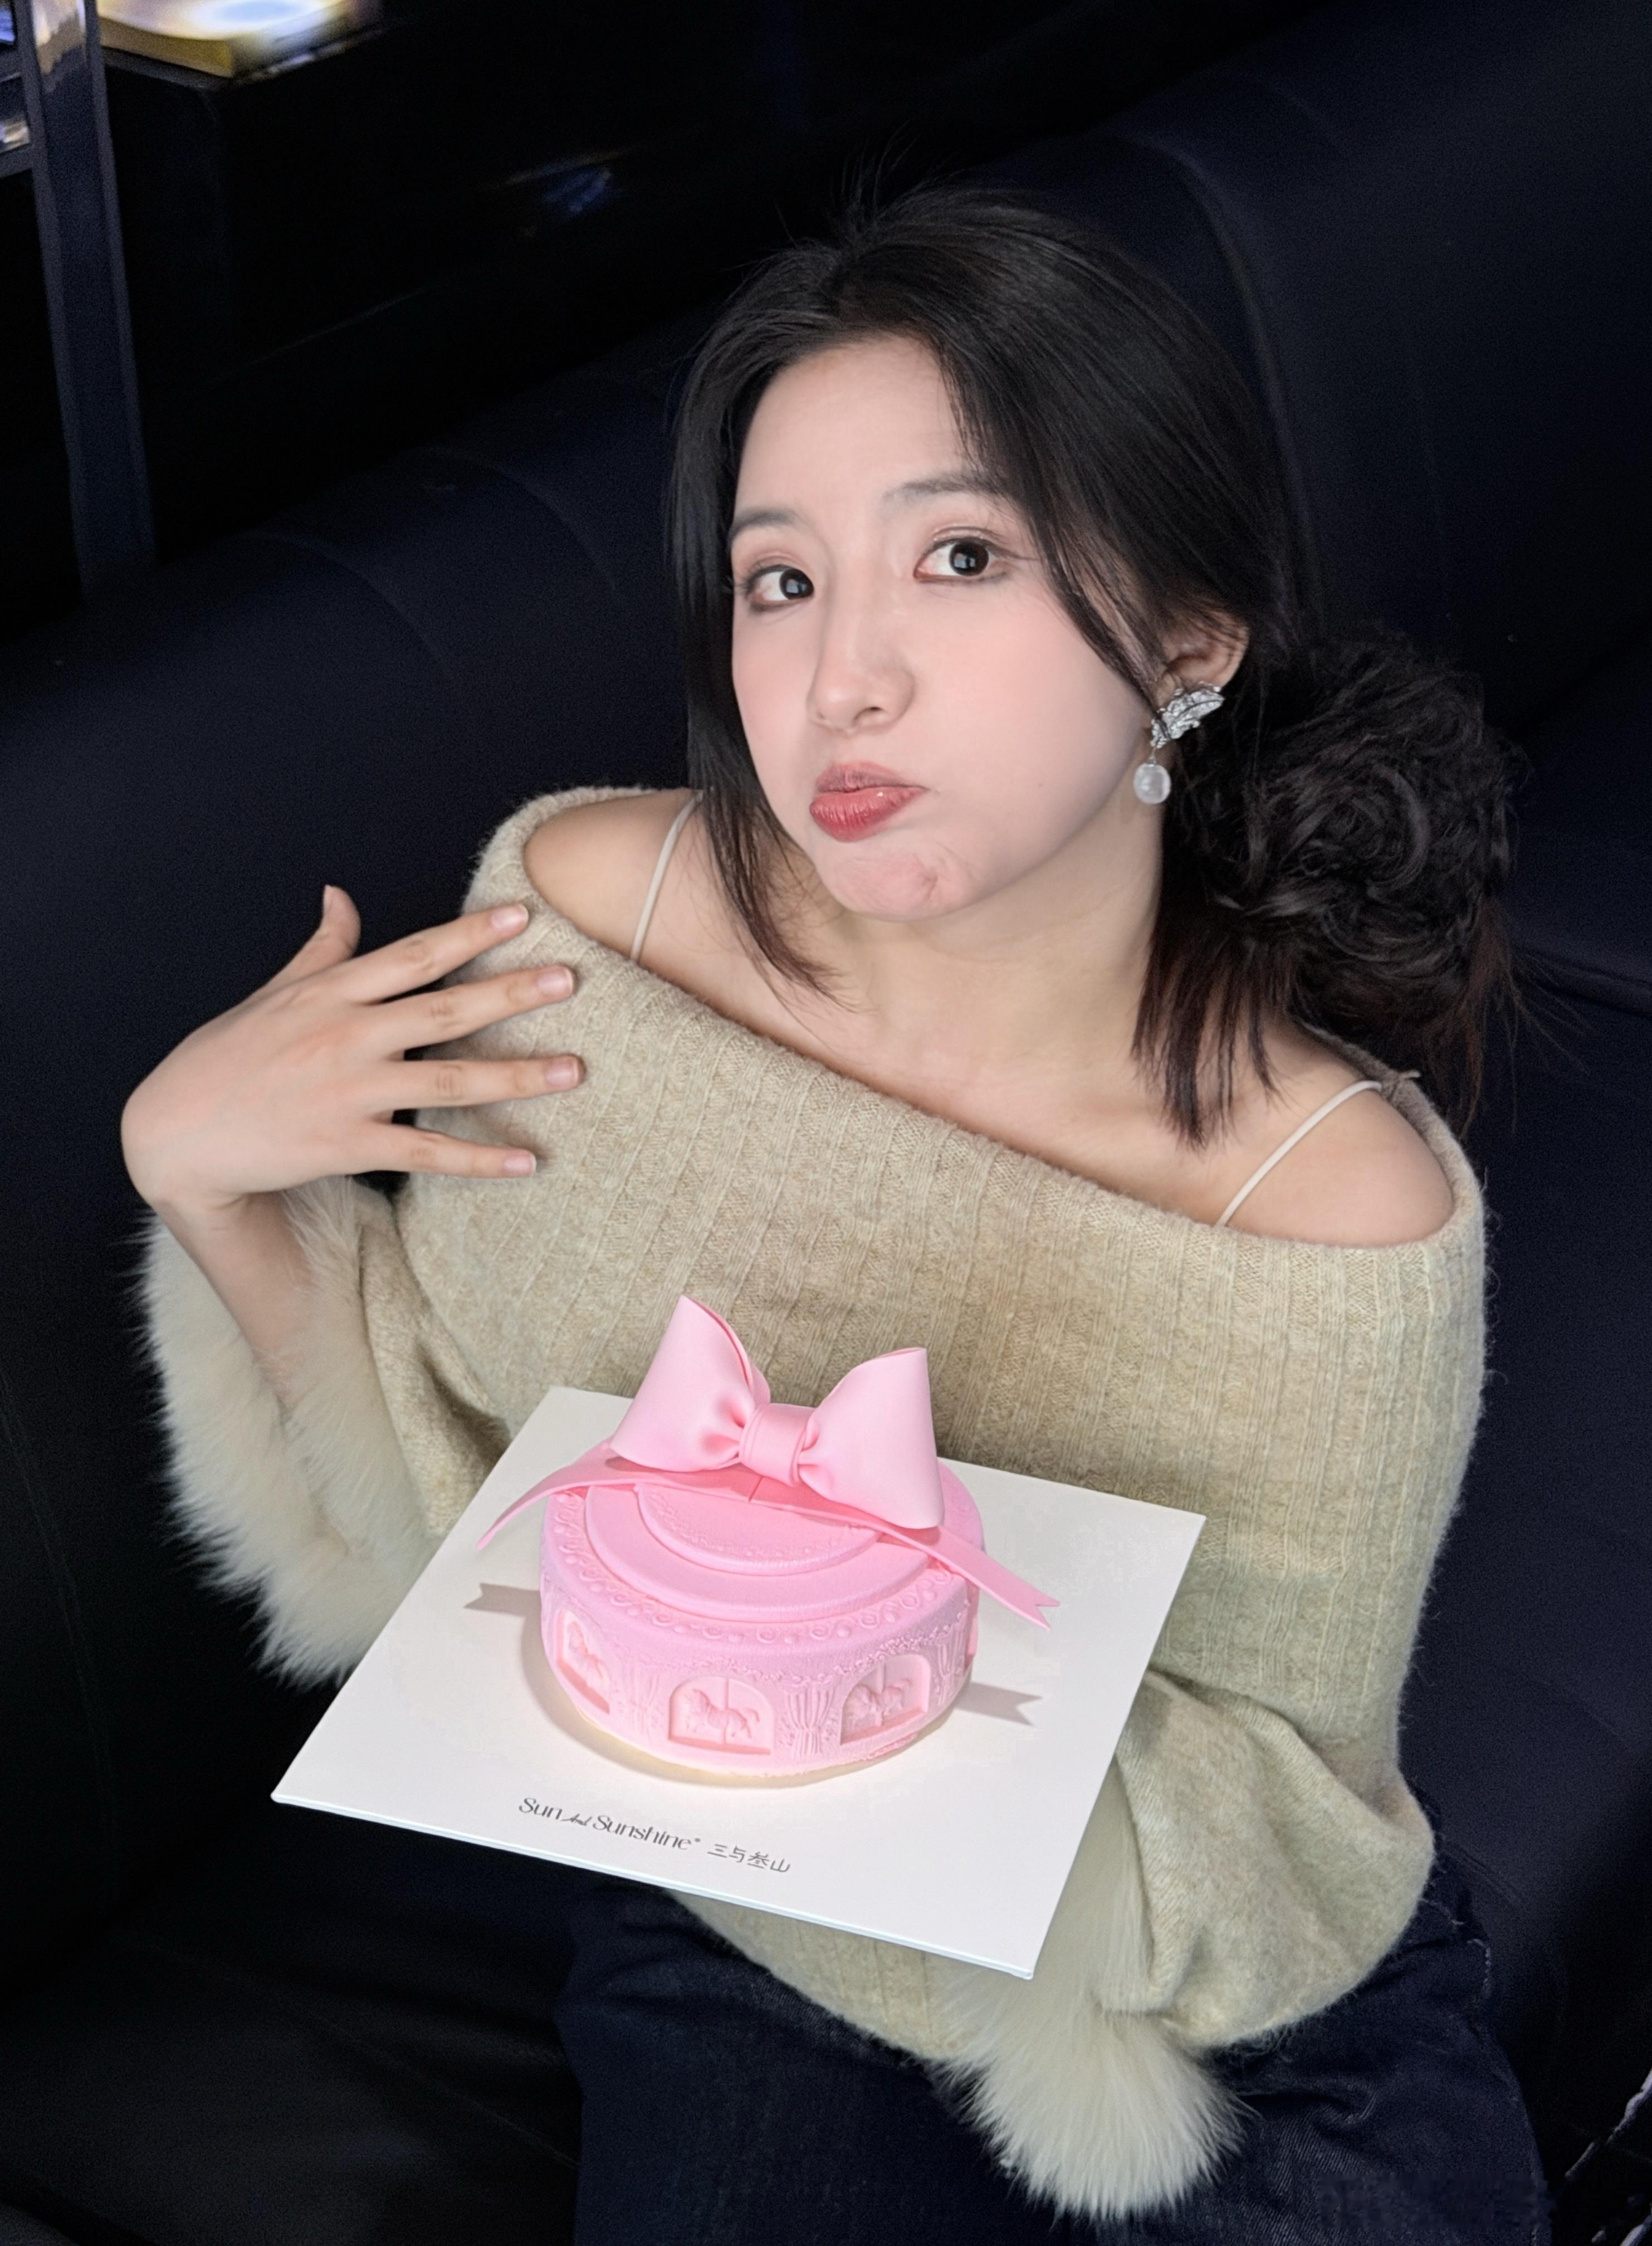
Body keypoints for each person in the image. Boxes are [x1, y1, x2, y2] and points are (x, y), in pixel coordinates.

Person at [120, 189, 1548, 2242]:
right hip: (744, 1933)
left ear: (1188, 639)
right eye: (779, 581)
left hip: (1228, 2016)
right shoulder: (592, 919)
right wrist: (196, 1168)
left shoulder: (1334, 1207)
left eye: (960, 557)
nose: (842, 682)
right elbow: (456, 1491)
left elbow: (1282, 1825)